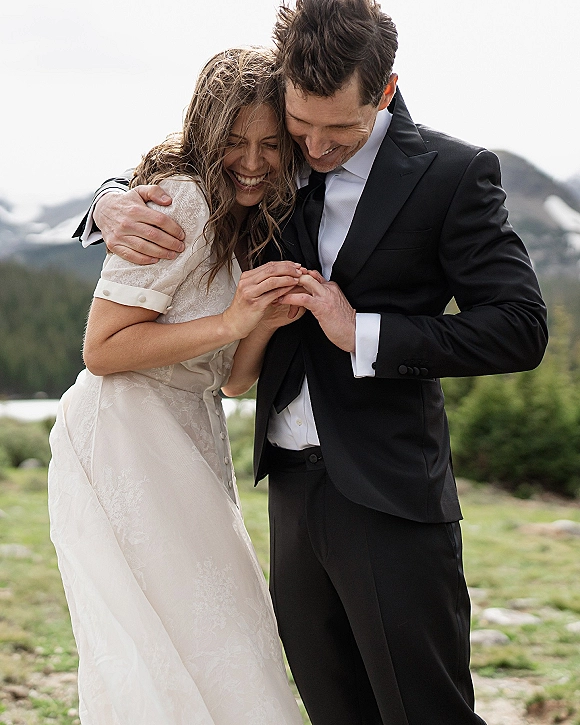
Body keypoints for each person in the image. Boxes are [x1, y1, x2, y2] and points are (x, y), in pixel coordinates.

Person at [81, 1, 549, 723]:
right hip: (290, 494)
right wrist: (106, 200)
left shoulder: (452, 175)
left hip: (391, 493)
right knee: (333, 710)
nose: (318, 147)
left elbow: (520, 328)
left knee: (425, 711)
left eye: (341, 128)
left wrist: (362, 330)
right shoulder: (275, 150)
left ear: (385, 91)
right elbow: (199, 156)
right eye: (302, 127)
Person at [49, 47, 306, 725]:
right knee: (177, 636)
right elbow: (102, 350)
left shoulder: (251, 218)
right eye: (235, 143)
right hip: (125, 434)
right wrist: (229, 317)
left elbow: (232, 381)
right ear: (205, 134)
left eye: (271, 144)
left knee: (221, 631)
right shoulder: (184, 202)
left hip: (189, 430)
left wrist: (260, 320)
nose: (253, 161)